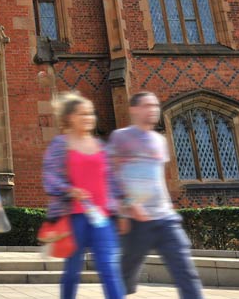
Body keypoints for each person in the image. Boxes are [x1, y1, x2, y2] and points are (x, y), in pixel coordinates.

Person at [108, 92, 204, 299]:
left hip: (165, 218)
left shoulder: (159, 140)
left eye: (155, 105)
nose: (153, 109)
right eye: (147, 105)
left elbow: (157, 179)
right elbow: (111, 176)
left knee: (185, 270)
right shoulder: (121, 137)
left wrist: (168, 208)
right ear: (133, 109)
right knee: (126, 275)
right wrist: (126, 208)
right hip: (136, 220)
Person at [42, 91, 125, 299]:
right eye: (83, 113)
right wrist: (69, 189)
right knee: (72, 271)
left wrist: (121, 210)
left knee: (109, 267)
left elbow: (112, 182)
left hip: (102, 218)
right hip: (74, 217)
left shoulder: (101, 147)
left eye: (90, 113)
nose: (89, 118)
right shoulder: (60, 145)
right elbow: (50, 176)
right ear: (70, 117)